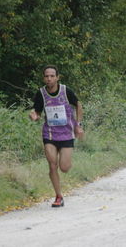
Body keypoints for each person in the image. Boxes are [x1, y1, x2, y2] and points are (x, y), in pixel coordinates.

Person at [29, 65, 84, 207]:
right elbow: (37, 112)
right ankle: (58, 196)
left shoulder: (66, 91)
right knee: (52, 165)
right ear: (43, 78)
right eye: (46, 76)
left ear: (57, 77)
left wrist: (78, 125)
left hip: (67, 133)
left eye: (52, 76)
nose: (49, 78)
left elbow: (78, 105)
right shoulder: (41, 93)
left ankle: (65, 162)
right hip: (50, 134)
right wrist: (34, 116)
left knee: (64, 167)